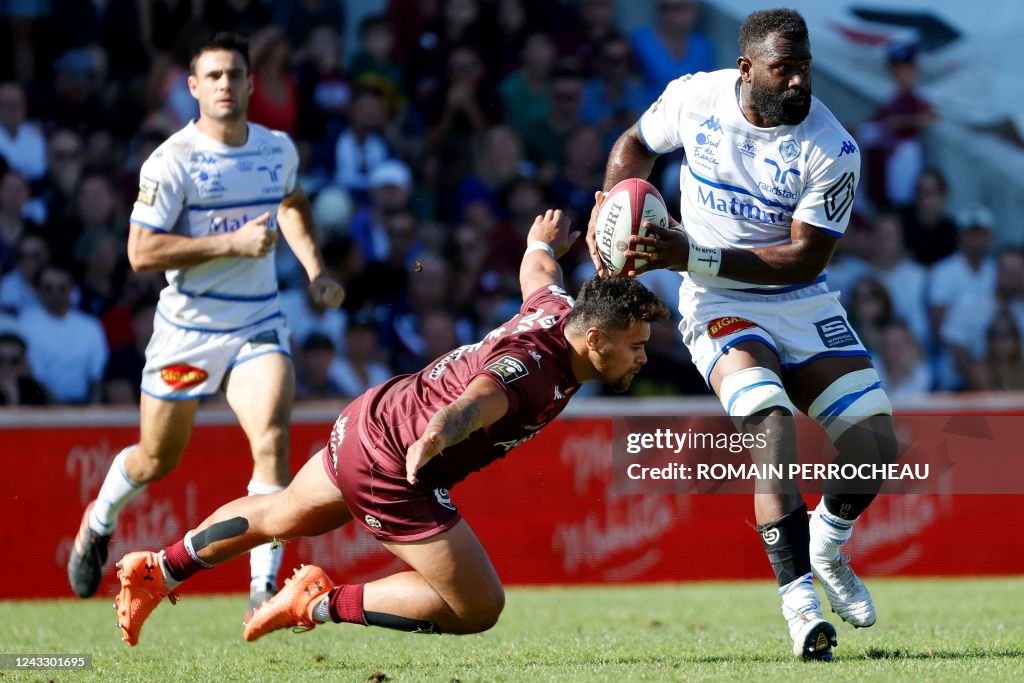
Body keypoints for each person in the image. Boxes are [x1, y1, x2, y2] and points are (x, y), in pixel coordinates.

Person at [110, 208, 669, 647]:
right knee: (478, 607)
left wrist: (540, 243)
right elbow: (479, 400)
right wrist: (437, 436)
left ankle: (158, 569)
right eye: (636, 346)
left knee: (279, 513)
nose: (643, 357)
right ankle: (317, 602)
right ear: (595, 340)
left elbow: (539, 275)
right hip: (398, 461)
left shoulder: (558, 311)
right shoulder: (532, 368)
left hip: (370, 416)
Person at [586, 8, 898, 660]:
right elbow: (635, 142)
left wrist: (684, 255)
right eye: (784, 69)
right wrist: (608, 206)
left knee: (875, 443)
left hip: (798, 295)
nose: (798, 83)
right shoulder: (696, 98)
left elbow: (806, 257)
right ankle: (802, 609)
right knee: (768, 418)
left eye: (805, 68)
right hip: (721, 300)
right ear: (748, 68)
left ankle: (827, 545)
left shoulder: (833, 147)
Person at [65, 33, 345, 619]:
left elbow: (291, 203)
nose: (225, 85)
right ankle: (100, 519)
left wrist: (316, 269)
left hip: (258, 322)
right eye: (212, 76)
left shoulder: (276, 149)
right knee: (156, 458)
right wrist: (232, 242)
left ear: (249, 83)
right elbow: (140, 253)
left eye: (234, 75)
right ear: (193, 87)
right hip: (188, 330)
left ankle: (262, 593)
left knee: (271, 437)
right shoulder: (172, 161)